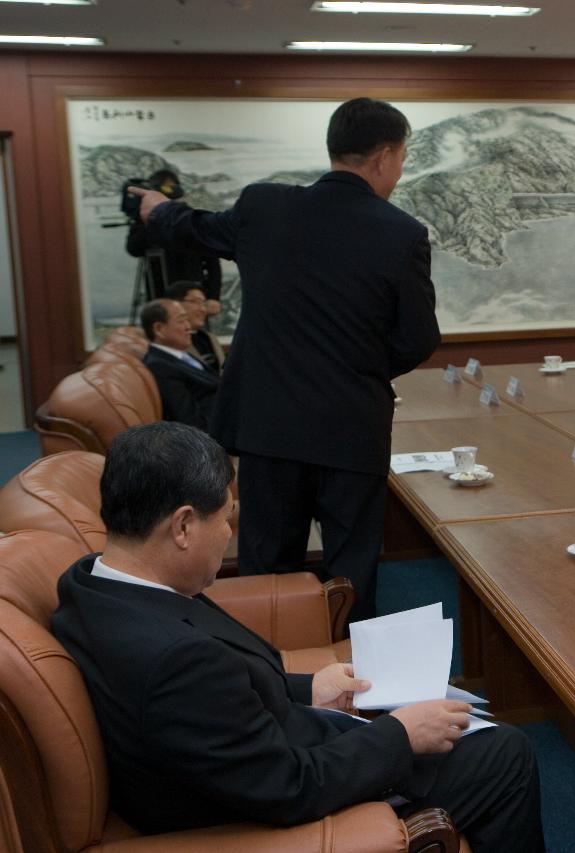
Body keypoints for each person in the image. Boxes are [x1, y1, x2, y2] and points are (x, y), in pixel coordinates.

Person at [50, 423, 544, 850]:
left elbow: (218, 699)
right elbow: (287, 787)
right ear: (182, 525)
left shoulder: (95, 581)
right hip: (265, 805)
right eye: (225, 517)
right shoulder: (174, 660)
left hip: (260, 747)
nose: (229, 533)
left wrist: (310, 689)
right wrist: (401, 735)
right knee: (504, 753)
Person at [131, 97, 441, 624]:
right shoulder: (402, 233)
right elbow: (418, 339)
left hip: (268, 426)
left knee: (267, 560)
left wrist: (157, 210)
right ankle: (354, 669)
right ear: (386, 156)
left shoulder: (264, 207)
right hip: (351, 425)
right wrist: (356, 370)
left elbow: (195, 227)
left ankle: (264, 667)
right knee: (352, 564)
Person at [126, 169, 223, 311]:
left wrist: (214, 297)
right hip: (159, 295)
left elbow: (212, 261)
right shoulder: (144, 220)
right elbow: (134, 249)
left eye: (171, 186)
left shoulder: (189, 217)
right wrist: (150, 219)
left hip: (192, 294)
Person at [140, 298, 219, 431]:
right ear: (159, 329)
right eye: (181, 320)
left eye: (187, 320)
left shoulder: (180, 354)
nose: (188, 326)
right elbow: (192, 423)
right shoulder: (159, 366)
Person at [165, 282, 224, 374]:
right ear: (175, 304)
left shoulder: (211, 338)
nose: (203, 309)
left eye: (204, 303)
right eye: (196, 302)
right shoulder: (168, 342)